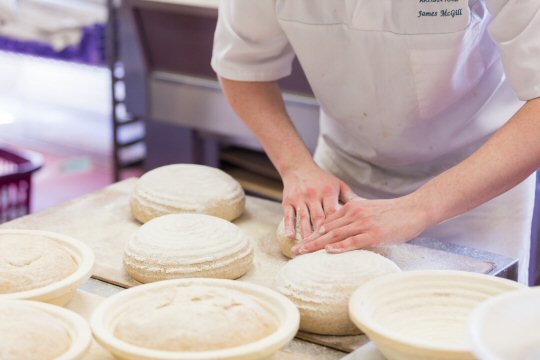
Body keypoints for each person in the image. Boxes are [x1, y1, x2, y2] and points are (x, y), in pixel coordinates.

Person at [211, 0, 540, 284]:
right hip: (345, 177)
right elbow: (241, 66)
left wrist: (419, 207)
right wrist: (296, 166)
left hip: (478, 181)